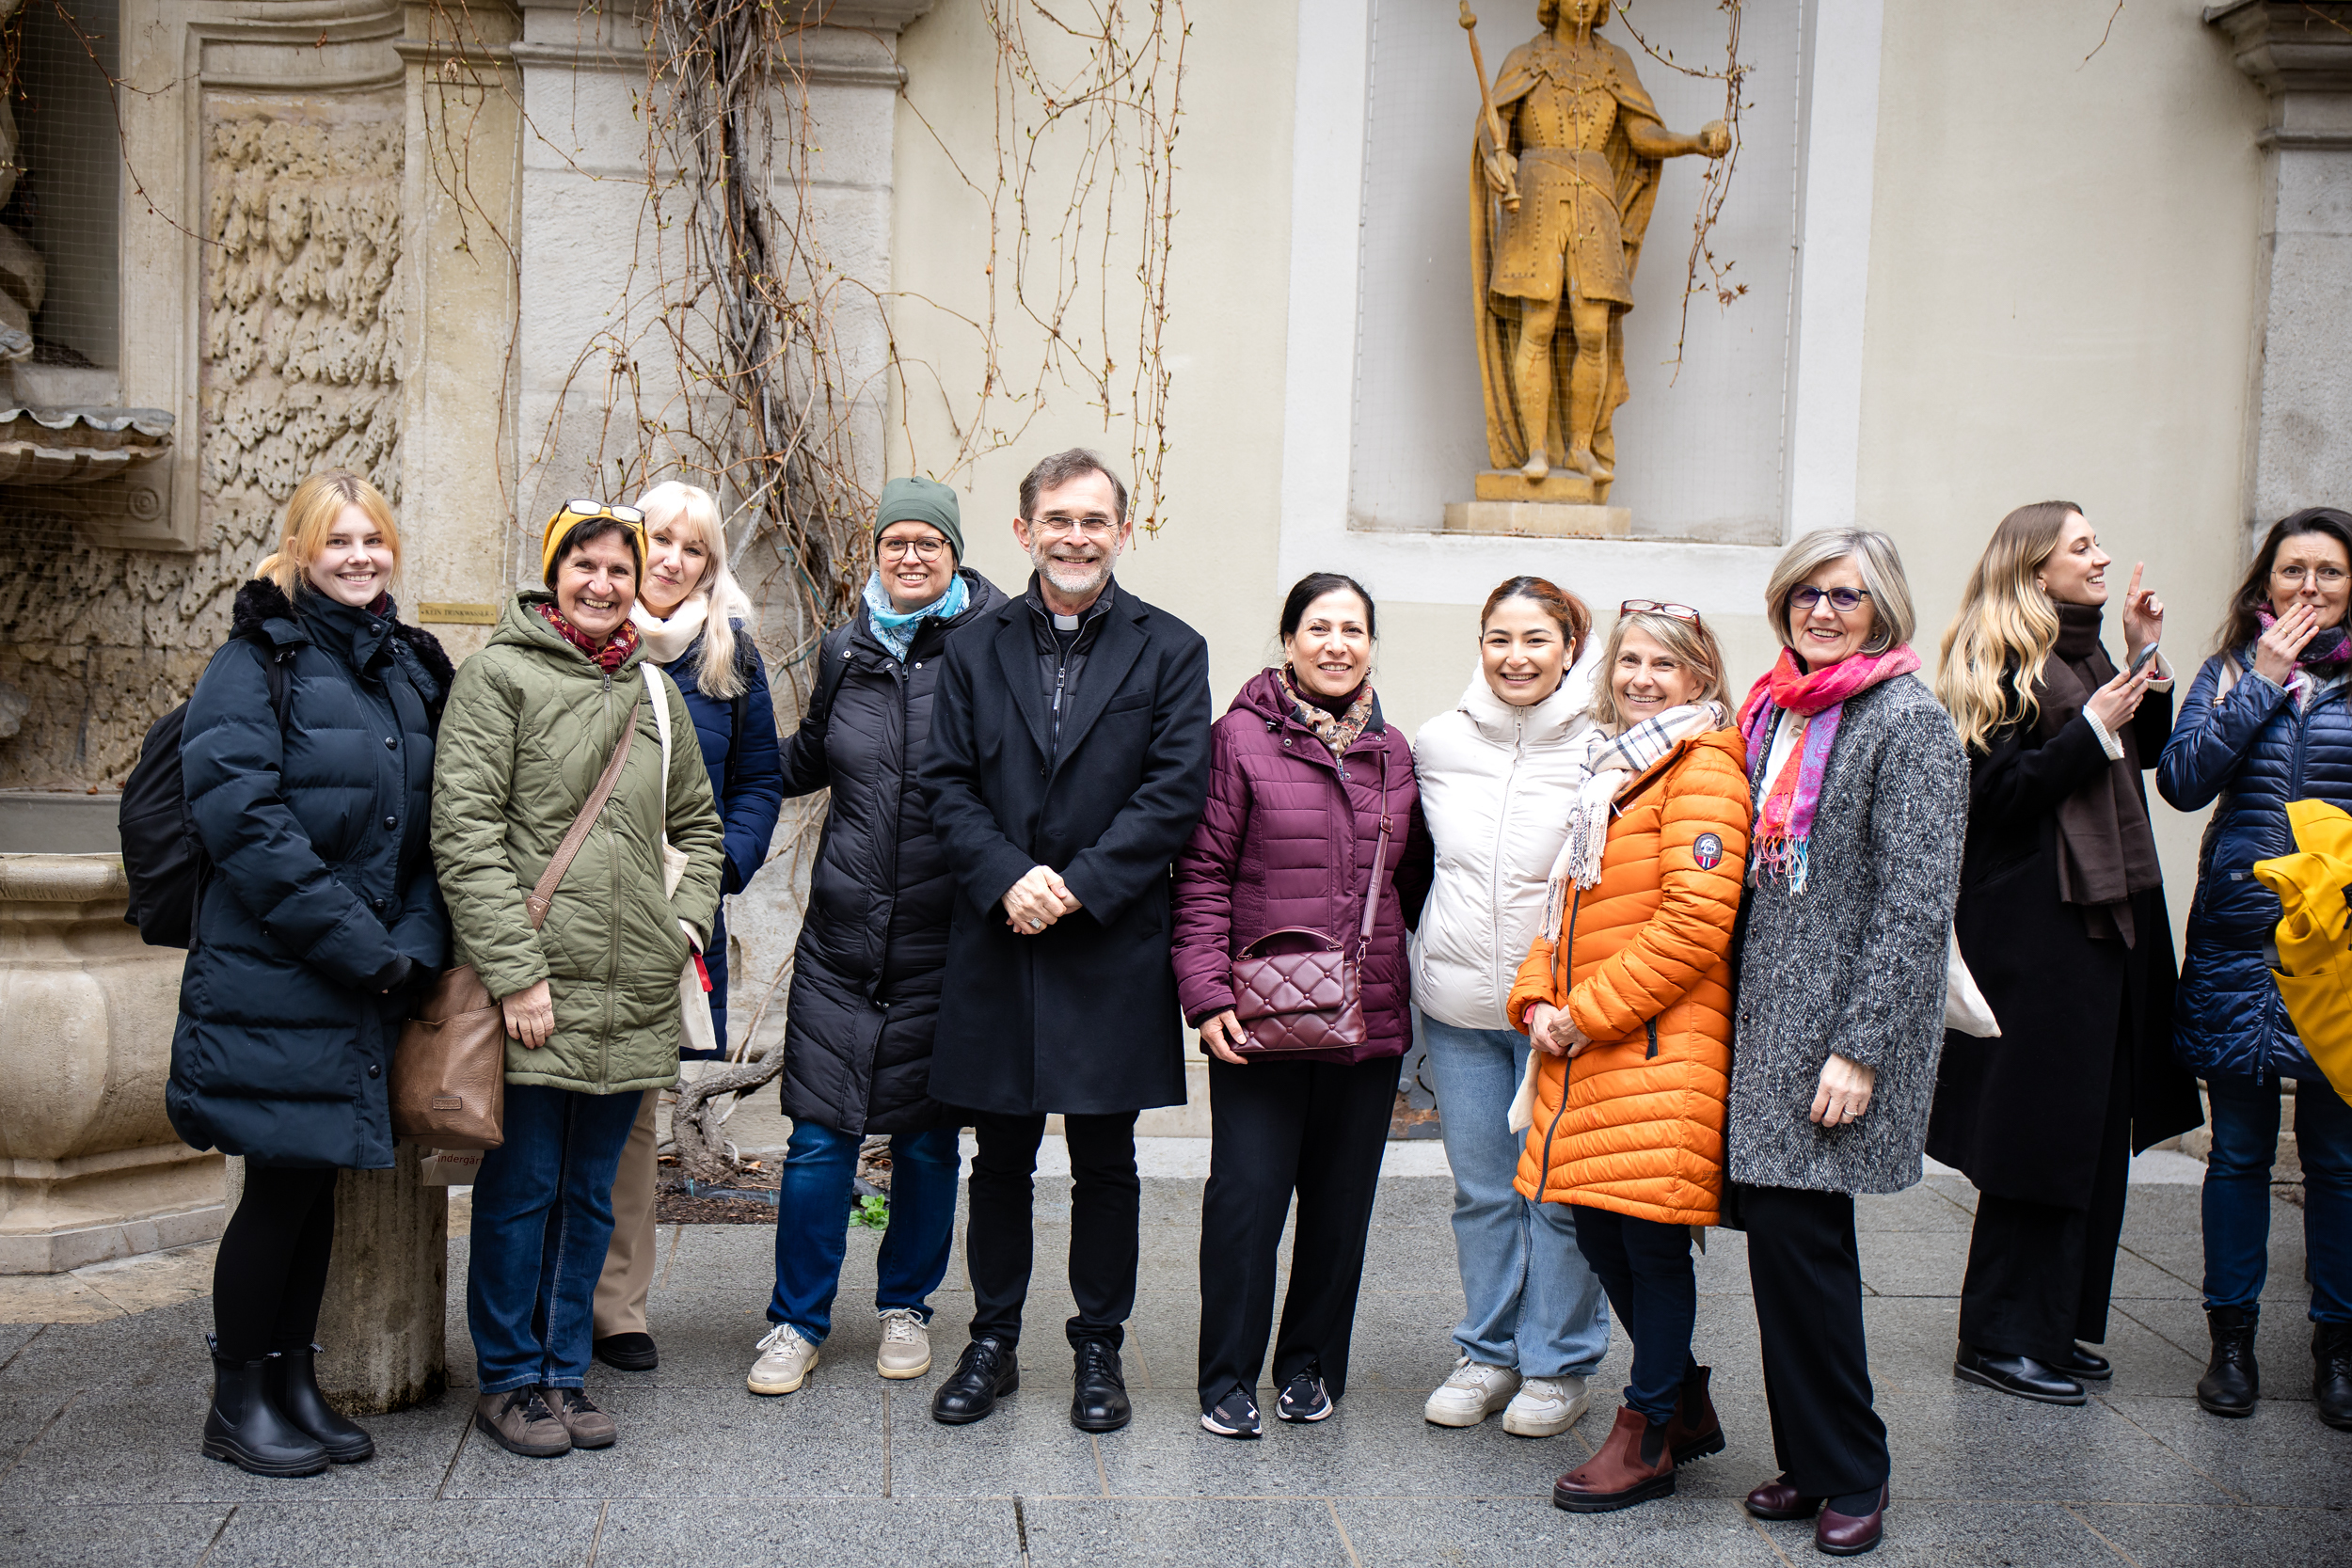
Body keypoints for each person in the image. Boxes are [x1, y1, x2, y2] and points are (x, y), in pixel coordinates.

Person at [917, 448, 1213, 1432]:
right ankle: (992, 1341)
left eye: (1093, 520)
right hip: (999, 934)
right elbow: (945, 782)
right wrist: (1009, 876)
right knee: (998, 1159)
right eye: (1057, 519)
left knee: (1106, 1161)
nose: (1075, 537)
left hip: (1107, 941)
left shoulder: (1171, 649)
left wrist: (1077, 887)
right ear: (1024, 531)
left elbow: (1173, 792)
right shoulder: (972, 647)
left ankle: (1099, 1346)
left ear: (1122, 531)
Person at [167, 470, 453, 1478]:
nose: (359, 557)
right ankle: (236, 1398)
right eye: (338, 541)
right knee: (278, 1188)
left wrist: (413, 942)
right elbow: (243, 822)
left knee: (315, 1181)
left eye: (373, 539)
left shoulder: (406, 665)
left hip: (365, 974)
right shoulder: (255, 661)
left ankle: (293, 1381)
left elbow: (432, 827)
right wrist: (361, 947)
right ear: (299, 550)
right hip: (276, 974)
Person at [433, 499, 724, 1458]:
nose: (602, 584)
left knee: (590, 1193)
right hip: (535, 991)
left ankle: (564, 1370)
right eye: (583, 565)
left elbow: (702, 827)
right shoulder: (497, 676)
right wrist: (516, 973)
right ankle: (509, 1379)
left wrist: (679, 927)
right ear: (553, 573)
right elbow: (466, 836)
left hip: (632, 988)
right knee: (521, 1189)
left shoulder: (655, 694)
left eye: (617, 569)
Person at [1929, 503, 2205, 1407]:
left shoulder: (2087, 652)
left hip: (2108, 929)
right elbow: (1993, 795)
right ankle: (1998, 1337)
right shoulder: (1998, 660)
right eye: (2082, 546)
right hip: (2038, 936)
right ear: (2033, 568)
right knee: (2035, 1137)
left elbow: (2143, 757)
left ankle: (2055, 1326)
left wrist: (2144, 658)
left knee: (2089, 1136)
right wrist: (2089, 728)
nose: (2102, 555)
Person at [1729, 529, 1967, 1556]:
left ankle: (1855, 1468)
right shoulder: (1773, 705)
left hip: (1832, 1035)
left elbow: (1916, 905)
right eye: (1807, 594)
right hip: (1764, 1025)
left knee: (1809, 1253)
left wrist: (1860, 1048)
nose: (1822, 611)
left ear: (1883, 610)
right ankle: (1809, 1457)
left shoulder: (1909, 722)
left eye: (1846, 596)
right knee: (1782, 1254)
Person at [746, 477, 1006, 1399]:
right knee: (819, 1140)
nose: (910, 555)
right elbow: (806, 756)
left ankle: (906, 1306)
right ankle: (796, 1320)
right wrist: (718, 739)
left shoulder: (993, 643)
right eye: (895, 541)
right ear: (878, 551)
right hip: (842, 940)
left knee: (927, 1142)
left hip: (944, 942)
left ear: (953, 552)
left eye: (928, 542)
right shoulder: (845, 647)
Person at [1173, 573, 1434, 1439]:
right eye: (1318, 627)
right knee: (1246, 1200)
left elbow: (1414, 880)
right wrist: (1206, 994)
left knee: (1339, 1205)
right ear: (1288, 640)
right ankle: (1227, 1376)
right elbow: (1201, 875)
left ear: (1370, 645)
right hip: (1261, 1017)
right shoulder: (1238, 739)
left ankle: (1308, 1365)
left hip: (1369, 1018)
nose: (1336, 644)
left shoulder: (1395, 752)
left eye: (1353, 629)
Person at [1506, 603, 1748, 1511]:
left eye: (1664, 663)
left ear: (1700, 677)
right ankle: (1679, 1400)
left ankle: (1646, 1431)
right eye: (1630, 660)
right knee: (1602, 1231)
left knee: (1650, 1242)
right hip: (1595, 1043)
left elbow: (1695, 922)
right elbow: (1565, 904)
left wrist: (1586, 1015)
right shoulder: (1614, 768)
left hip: (1656, 1048)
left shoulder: (1704, 767)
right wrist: (1537, 997)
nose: (1642, 677)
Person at [2158, 505, 2352, 1432]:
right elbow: (2183, 779)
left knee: (2339, 1159)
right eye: (2291, 570)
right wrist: (2263, 681)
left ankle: (2337, 1348)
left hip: (2339, 948)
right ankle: (2229, 1343)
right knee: (2236, 1151)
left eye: (2329, 571)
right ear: (2264, 583)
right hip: (2240, 941)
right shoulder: (2233, 669)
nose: (2309, 586)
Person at [1410, 576, 1613, 1437]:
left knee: (1558, 1197)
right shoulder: (1436, 742)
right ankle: (1487, 1353)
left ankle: (1558, 1365)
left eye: (1536, 640)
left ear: (1570, 648)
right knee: (1484, 1192)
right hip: (1458, 1009)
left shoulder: (1608, 747)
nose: (1516, 657)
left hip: (1560, 1018)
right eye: (1500, 638)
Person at [592, 481, 784, 1374]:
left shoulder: (727, 654)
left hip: (674, 915)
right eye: (659, 539)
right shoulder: (585, 633)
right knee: (555, 1107)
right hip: (574, 909)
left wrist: (717, 874)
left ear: (711, 563)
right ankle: (547, 1300)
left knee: (637, 1108)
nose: (672, 560)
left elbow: (758, 781)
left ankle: (616, 1308)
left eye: (693, 547)